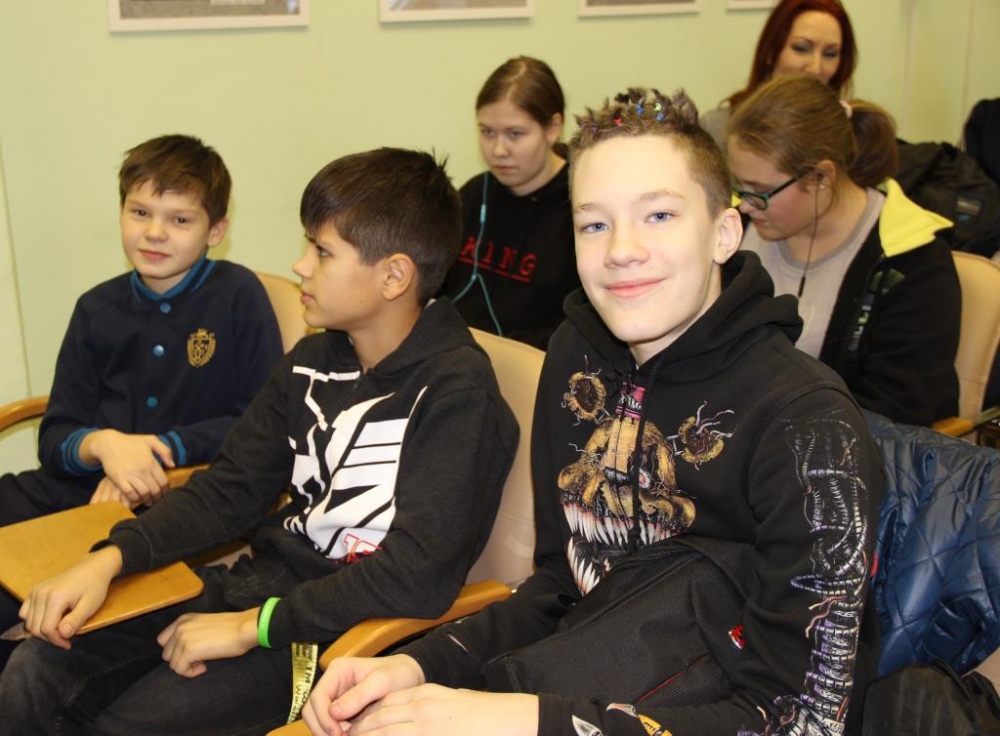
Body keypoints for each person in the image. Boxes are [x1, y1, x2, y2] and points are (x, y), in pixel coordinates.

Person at [303, 89, 884, 736]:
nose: (621, 250)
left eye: (658, 215)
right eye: (594, 224)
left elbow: (804, 721)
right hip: (583, 686)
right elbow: (565, 583)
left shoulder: (807, 424)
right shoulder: (576, 357)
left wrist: (531, 721)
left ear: (724, 233)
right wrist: (420, 665)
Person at [0, 148, 519, 735]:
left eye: (322, 252)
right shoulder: (315, 359)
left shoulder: (457, 392)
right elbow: (229, 489)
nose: (300, 265)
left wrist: (251, 627)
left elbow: (415, 575)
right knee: (37, 668)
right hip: (261, 589)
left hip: (341, 637)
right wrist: (109, 560)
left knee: (129, 724)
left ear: (393, 276)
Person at [0, 134, 283, 668]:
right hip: (78, 489)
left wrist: (153, 450)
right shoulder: (95, 307)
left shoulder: (238, 296)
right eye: (140, 212)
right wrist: (105, 446)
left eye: (180, 219)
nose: (154, 232)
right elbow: (55, 436)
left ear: (215, 231)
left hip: (180, 500)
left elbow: (260, 422)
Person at [728, 75, 960, 426]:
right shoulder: (735, 227)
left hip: (839, 446)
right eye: (738, 185)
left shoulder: (913, 265)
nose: (744, 205)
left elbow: (895, 415)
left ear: (821, 177)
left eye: (759, 190)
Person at [440, 56, 579, 350]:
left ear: (553, 128)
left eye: (515, 134)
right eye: (487, 132)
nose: (498, 150)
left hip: (538, 366)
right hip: (460, 357)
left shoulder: (581, 207)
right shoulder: (472, 196)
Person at [700, 0, 857, 151]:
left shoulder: (850, 133)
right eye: (801, 48)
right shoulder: (719, 128)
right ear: (770, 51)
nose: (816, 68)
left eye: (830, 53)